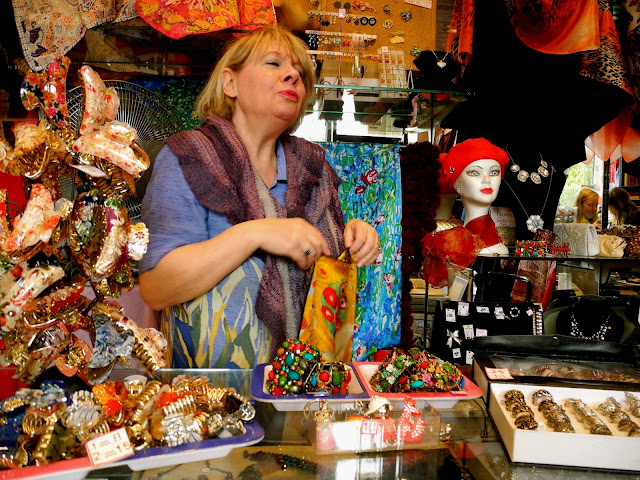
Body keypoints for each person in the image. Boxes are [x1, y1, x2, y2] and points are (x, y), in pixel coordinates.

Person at [138, 27, 380, 369]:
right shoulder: (191, 158)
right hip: (211, 394)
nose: (292, 74)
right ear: (230, 83)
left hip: (305, 388)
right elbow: (157, 287)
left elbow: (325, 267)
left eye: (300, 72)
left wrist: (354, 236)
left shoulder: (314, 169)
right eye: (273, 63)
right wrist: (255, 233)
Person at [439, 138, 510, 255]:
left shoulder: (495, 243)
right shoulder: (446, 242)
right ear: (456, 184)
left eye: (494, 172)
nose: (487, 180)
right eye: (474, 173)